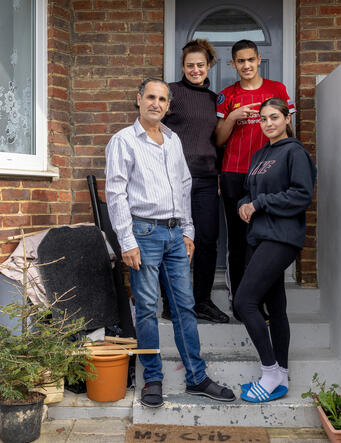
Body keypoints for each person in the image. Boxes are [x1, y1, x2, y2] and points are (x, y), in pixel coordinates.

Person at [105, 78, 236, 408]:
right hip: (144, 234)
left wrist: (189, 231)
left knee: (184, 307)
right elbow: (115, 194)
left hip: (176, 235)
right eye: (151, 97)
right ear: (138, 100)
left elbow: (184, 184)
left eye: (162, 99)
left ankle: (196, 377)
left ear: (168, 105)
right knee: (148, 309)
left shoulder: (173, 140)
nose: (156, 104)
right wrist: (127, 241)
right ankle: (152, 378)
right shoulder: (123, 141)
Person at [235, 98, 316, 403]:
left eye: (274, 117)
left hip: (281, 237)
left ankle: (268, 372)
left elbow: (301, 194)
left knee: (244, 302)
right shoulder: (260, 155)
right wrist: (244, 203)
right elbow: (250, 190)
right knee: (276, 305)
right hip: (259, 235)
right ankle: (281, 374)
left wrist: (261, 203)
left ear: (286, 118)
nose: (268, 123)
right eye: (263, 119)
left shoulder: (295, 152)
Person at [215, 40, 295, 319]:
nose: (246, 65)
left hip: (269, 173)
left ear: (259, 59)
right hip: (235, 173)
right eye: (240, 61)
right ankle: (240, 303)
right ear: (233, 64)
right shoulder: (227, 95)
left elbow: (289, 129)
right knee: (237, 241)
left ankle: (261, 299)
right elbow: (219, 139)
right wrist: (233, 117)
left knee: (266, 239)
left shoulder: (277, 90)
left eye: (250, 59)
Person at [158, 39, 229, 324]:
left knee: (207, 241)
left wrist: (221, 174)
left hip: (207, 179)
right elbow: (151, 126)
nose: (195, 69)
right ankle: (170, 301)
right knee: (172, 240)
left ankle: (202, 301)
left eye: (200, 65)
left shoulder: (215, 100)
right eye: (190, 65)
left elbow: (219, 141)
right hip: (173, 180)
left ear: (208, 65)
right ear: (183, 67)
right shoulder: (170, 93)